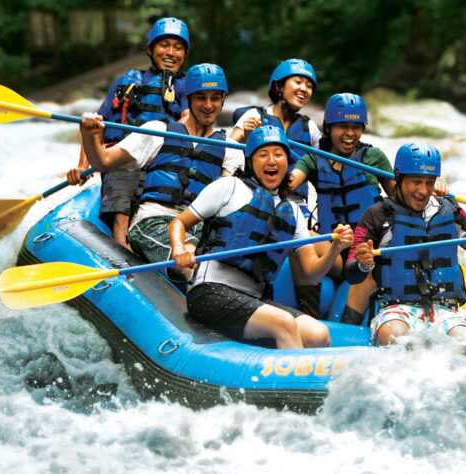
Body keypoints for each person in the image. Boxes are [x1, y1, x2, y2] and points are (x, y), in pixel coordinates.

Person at [169, 126, 355, 349]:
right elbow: (179, 222)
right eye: (263, 154)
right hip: (210, 291)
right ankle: (294, 383)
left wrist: (334, 248)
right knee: (284, 323)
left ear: (287, 161)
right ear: (250, 161)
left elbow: (312, 272)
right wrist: (180, 248)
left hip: (254, 300)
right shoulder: (229, 187)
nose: (272, 161)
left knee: (318, 334)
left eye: (278, 154)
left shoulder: (294, 213)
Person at [344, 142, 466, 356]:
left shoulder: (450, 211)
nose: (423, 191)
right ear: (398, 177)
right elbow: (351, 273)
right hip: (396, 310)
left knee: (464, 342)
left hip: (445, 310)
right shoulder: (376, 215)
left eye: (429, 182)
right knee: (394, 336)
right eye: (416, 182)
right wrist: (363, 264)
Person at [77, 63, 242, 274]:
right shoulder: (158, 131)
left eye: (215, 98)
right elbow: (103, 162)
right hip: (154, 221)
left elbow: (229, 201)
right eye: (201, 97)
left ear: (223, 99)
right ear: (189, 98)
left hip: (198, 227)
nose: (209, 105)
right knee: (196, 258)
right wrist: (90, 135)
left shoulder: (230, 148)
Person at [67, 17, 191, 250]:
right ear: (150, 49)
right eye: (164, 45)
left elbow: (188, 119)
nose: (171, 52)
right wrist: (83, 166)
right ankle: (121, 243)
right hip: (123, 158)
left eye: (178, 47)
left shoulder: (185, 86)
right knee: (125, 173)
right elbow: (95, 126)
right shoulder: (127, 81)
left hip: (161, 163)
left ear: (185, 53)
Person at [289, 93, 396, 323]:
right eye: (343, 127)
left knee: (368, 263)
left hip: (369, 249)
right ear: (328, 128)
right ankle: (309, 318)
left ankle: (349, 327)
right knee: (304, 236)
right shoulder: (313, 160)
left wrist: (429, 186)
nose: (350, 134)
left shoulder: (373, 157)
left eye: (356, 127)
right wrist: (268, 158)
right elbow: (288, 185)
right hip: (336, 251)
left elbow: (403, 197)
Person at [229, 58, 322, 207]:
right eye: (298, 82)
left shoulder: (310, 127)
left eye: (309, 86)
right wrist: (245, 137)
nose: (304, 89)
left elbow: (325, 166)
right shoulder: (254, 116)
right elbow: (228, 150)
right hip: (255, 198)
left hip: (295, 204)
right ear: (279, 86)